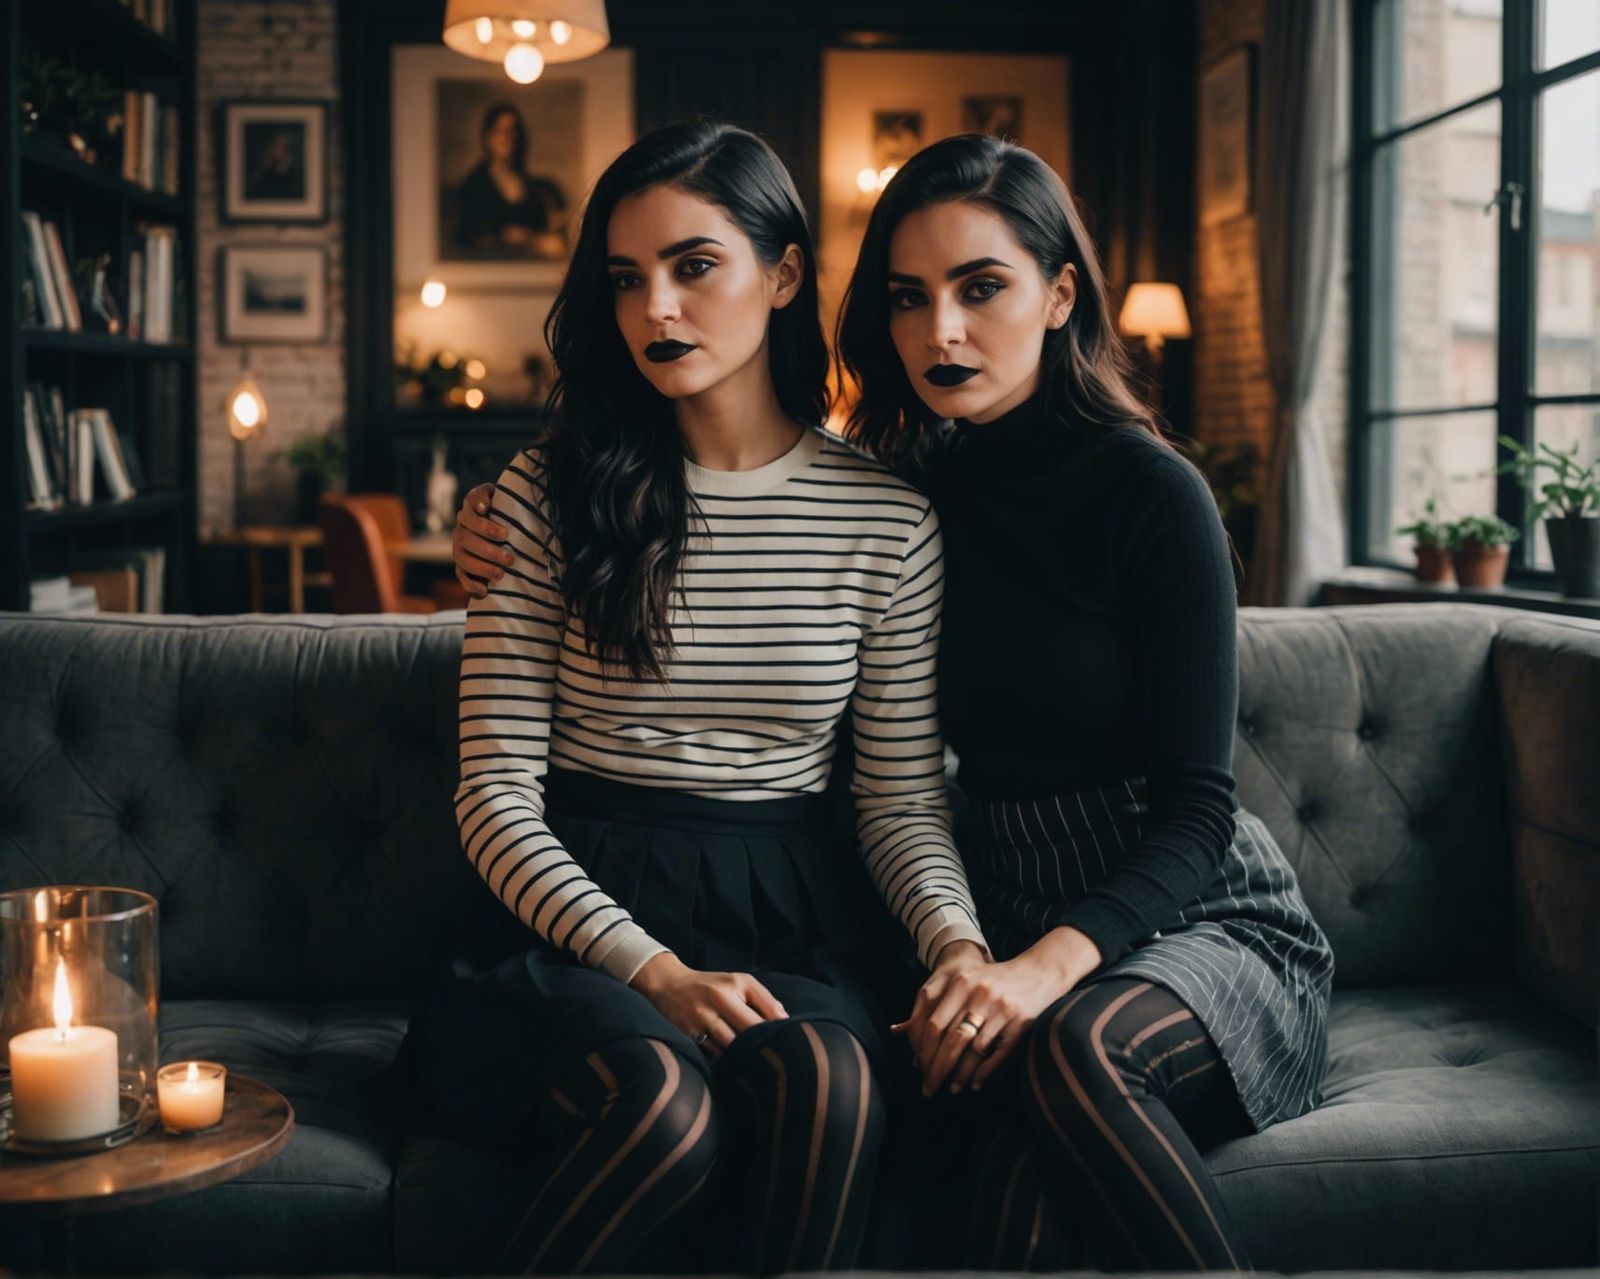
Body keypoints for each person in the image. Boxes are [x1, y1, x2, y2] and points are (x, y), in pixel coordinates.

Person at [451, 132, 1335, 1272]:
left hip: (1171, 910)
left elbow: (1177, 812)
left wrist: (997, 958)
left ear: (1062, 294)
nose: (940, 331)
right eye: (910, 298)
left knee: (1003, 1068)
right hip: (975, 901)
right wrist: (966, 948)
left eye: (981, 288)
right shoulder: (916, 480)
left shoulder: (1137, 494)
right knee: (1006, 1181)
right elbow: (507, 779)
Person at [404, 119, 989, 1276]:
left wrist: (957, 946)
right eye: (627, 278)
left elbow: (898, 802)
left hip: (788, 906)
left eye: (693, 265)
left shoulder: (886, 519)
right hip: (576, 915)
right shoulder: (540, 496)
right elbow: (494, 794)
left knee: (832, 1088)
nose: (655, 308)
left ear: (782, 274)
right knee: (660, 1112)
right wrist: (651, 970)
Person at [454, 104, 569, 258]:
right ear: (488, 137)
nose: (508, 138)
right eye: (500, 131)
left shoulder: (535, 187)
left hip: (532, 266)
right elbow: (469, 235)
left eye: (513, 131)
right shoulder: (475, 185)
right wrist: (515, 238)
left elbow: (550, 226)